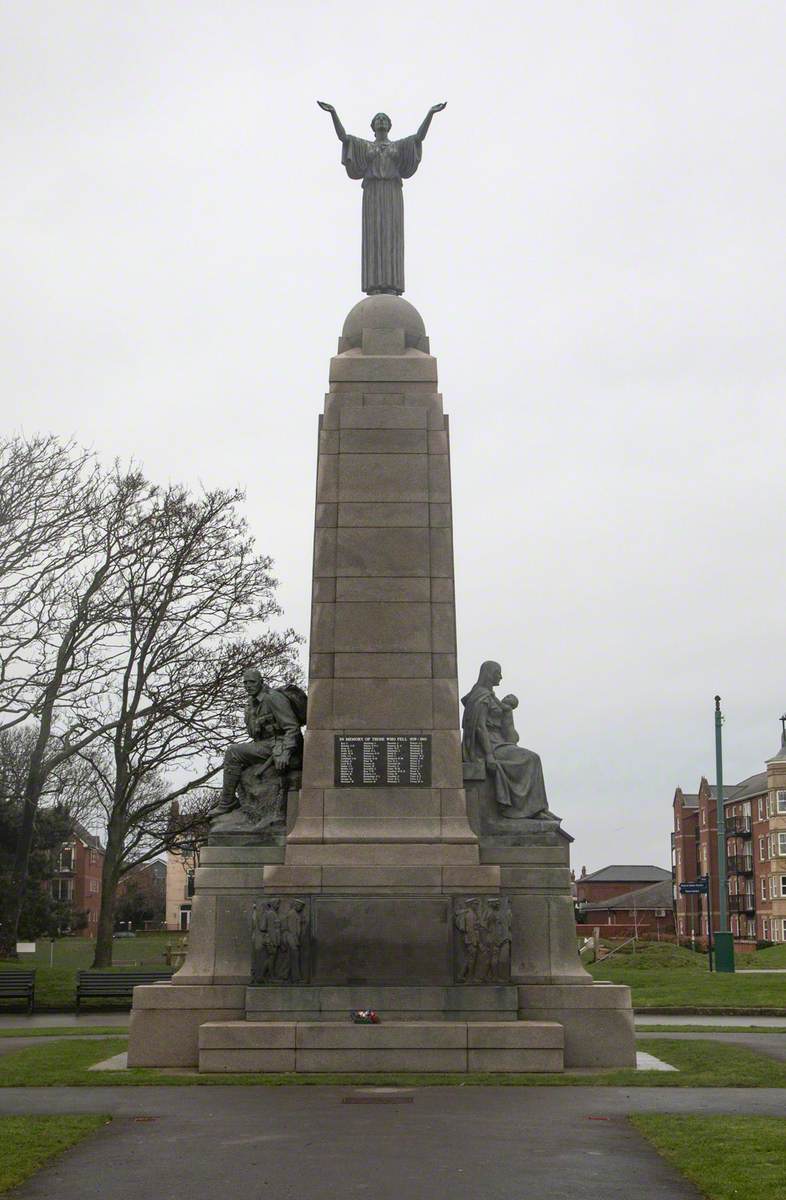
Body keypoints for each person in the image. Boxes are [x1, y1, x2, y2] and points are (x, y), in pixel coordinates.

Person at [317, 101, 447, 295]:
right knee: (374, 236)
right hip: (372, 194)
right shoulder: (365, 145)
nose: (381, 121)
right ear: (373, 126)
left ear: (389, 125)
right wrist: (333, 113)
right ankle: (374, 285)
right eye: (378, 119)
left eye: (384, 119)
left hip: (392, 194)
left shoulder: (398, 146)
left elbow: (418, 138)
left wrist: (430, 114)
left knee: (392, 237)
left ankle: (392, 285)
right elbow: (344, 138)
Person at [461, 661, 554, 819]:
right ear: (489, 674)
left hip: (501, 743)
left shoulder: (492, 697)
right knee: (532, 759)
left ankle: (537, 809)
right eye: (498, 673)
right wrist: (489, 755)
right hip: (491, 746)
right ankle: (531, 810)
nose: (501, 677)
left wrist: (508, 713)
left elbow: (510, 734)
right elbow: (479, 727)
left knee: (532, 758)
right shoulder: (481, 696)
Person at [213, 669, 303, 819]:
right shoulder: (251, 704)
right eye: (245, 683)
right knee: (237, 754)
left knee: (232, 752)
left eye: (252, 682)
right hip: (265, 745)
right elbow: (254, 733)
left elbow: (292, 728)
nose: (248, 685)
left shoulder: (273, 698)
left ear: (261, 682)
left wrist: (285, 752)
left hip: (277, 745)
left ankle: (227, 802)